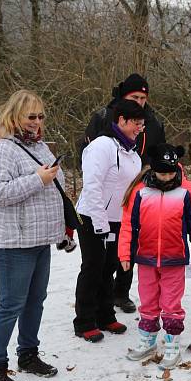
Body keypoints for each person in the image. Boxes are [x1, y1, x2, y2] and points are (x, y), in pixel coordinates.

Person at [0, 89, 63, 381]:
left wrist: (63, 227)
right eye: (31, 116)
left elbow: (53, 188)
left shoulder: (38, 146)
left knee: (34, 300)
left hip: (38, 238)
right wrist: (37, 179)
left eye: (41, 116)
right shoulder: (1, 150)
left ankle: (28, 354)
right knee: (11, 304)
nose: (37, 122)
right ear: (14, 116)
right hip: (12, 241)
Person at [82, 73, 167, 314]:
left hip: (140, 189)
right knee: (99, 260)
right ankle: (93, 306)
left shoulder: (153, 122)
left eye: (143, 97)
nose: (140, 101)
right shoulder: (103, 117)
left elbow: (160, 152)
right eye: (134, 97)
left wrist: (154, 174)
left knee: (129, 246)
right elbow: (89, 152)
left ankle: (121, 292)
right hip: (106, 194)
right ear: (123, 96)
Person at [119, 143, 191, 369]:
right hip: (145, 258)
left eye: (170, 172)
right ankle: (147, 339)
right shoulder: (140, 191)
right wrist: (125, 253)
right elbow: (128, 225)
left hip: (174, 258)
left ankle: (171, 342)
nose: (166, 177)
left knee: (171, 303)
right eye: (162, 173)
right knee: (147, 300)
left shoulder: (187, 191)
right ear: (153, 170)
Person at [73, 99, 147, 342]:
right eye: (136, 123)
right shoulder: (101, 146)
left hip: (118, 220)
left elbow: (132, 191)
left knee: (109, 268)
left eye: (142, 124)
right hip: (91, 216)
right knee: (93, 267)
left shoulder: (133, 153)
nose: (139, 128)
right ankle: (84, 321)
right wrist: (100, 223)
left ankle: (105, 315)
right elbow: (92, 186)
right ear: (121, 120)